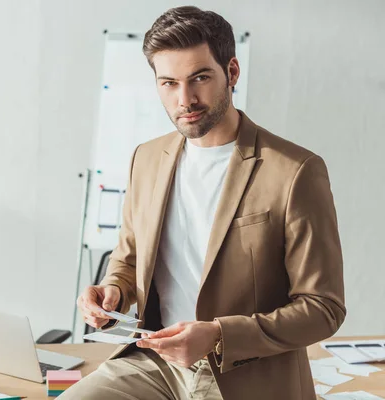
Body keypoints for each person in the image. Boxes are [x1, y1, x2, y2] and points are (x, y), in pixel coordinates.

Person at [62, 5, 346, 400]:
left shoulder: (296, 171)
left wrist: (217, 335)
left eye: (199, 78)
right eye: (169, 83)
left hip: (245, 374)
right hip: (156, 363)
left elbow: (323, 308)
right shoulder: (146, 158)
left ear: (231, 73)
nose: (185, 99)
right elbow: (127, 260)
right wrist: (111, 292)